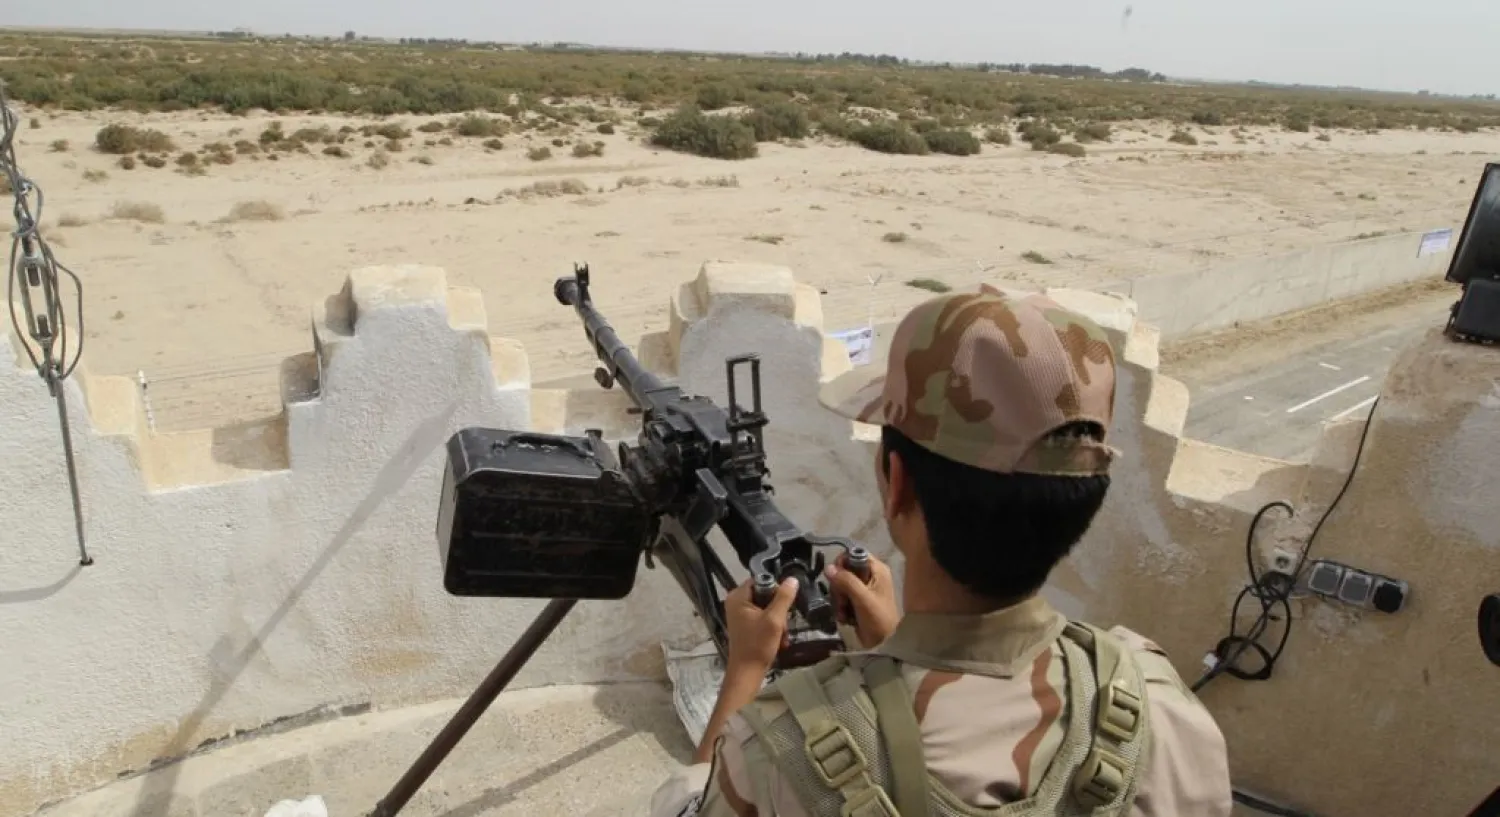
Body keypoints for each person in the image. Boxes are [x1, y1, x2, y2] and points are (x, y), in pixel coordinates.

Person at [649, 285, 1233, 817]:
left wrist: (746, 673)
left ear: (895, 480)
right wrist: (897, 649)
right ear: (1083, 498)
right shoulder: (1158, 710)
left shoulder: (778, 751)